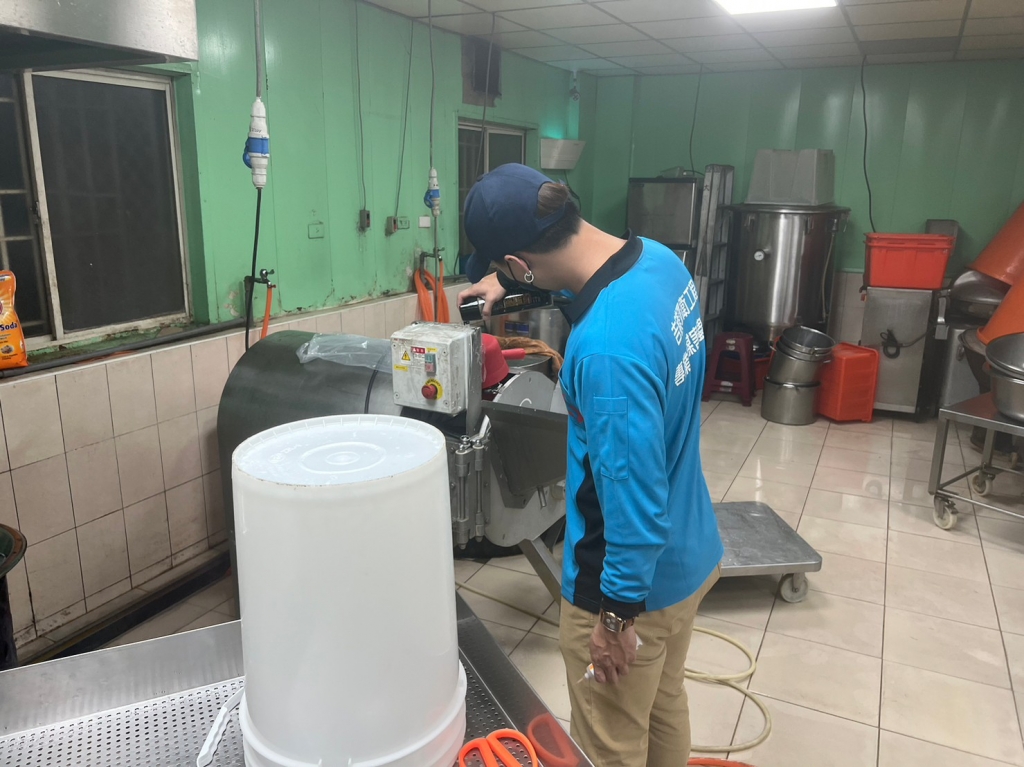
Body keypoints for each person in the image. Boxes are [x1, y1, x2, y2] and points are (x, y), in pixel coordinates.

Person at [458, 164, 723, 767]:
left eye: (503, 268)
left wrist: (615, 618)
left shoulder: (603, 349)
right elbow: (594, 290)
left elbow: (633, 500)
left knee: (609, 746)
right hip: (688, 553)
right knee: (663, 705)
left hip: (629, 588)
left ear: (520, 261)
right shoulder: (658, 262)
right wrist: (511, 285)